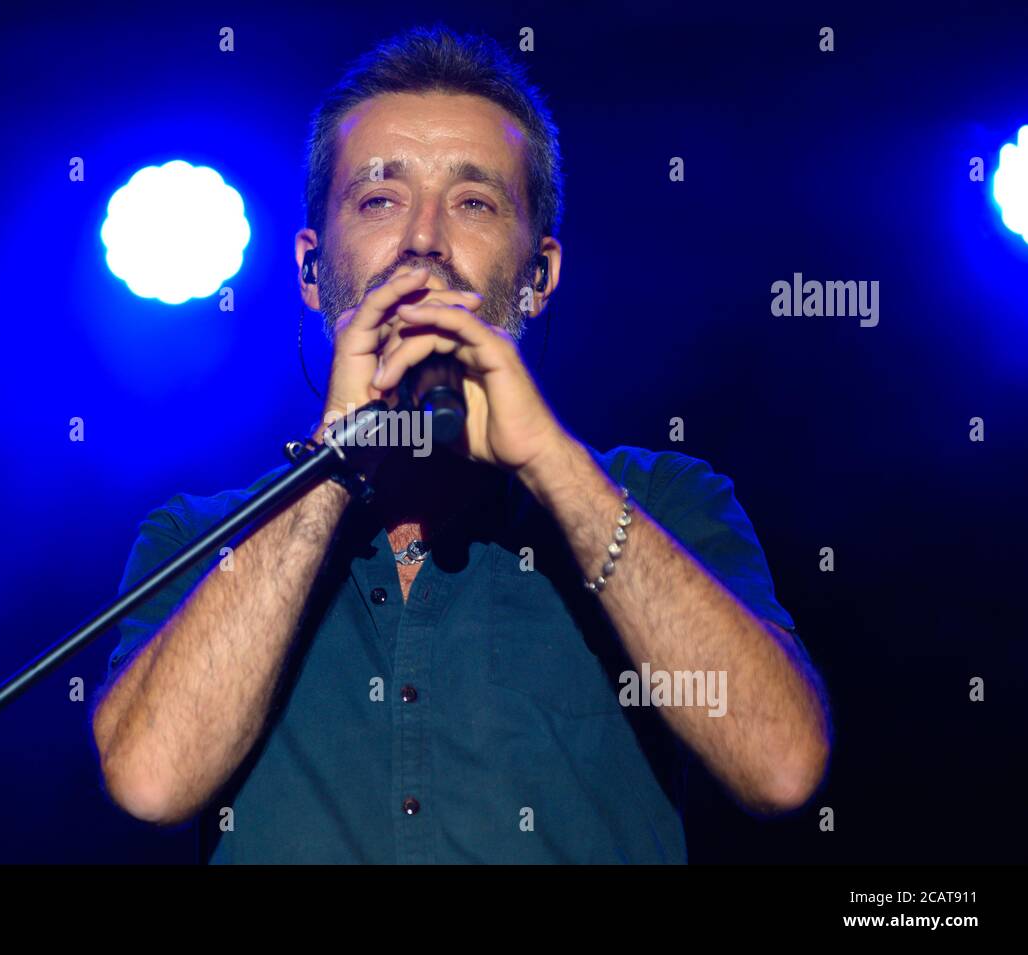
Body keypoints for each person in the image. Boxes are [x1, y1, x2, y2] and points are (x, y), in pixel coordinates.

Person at [91, 25, 831, 863]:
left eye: (474, 203)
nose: (423, 241)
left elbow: (781, 767)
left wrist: (553, 464)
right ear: (309, 270)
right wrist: (333, 459)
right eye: (378, 200)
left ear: (539, 275)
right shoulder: (199, 535)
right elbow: (151, 780)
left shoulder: (666, 498)